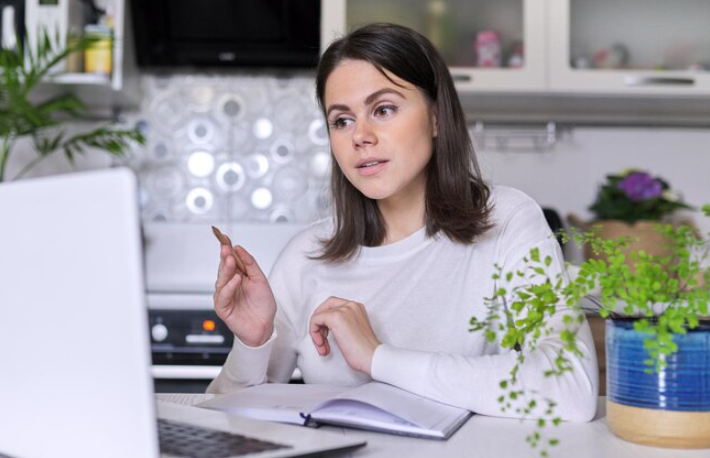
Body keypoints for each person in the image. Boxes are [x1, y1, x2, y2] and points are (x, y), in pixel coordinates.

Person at [208, 23, 598, 421]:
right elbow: (221, 418)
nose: (360, 135)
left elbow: (572, 389)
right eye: (341, 120)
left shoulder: (508, 221)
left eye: (383, 109)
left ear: (436, 118)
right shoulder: (306, 256)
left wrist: (379, 358)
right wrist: (252, 343)